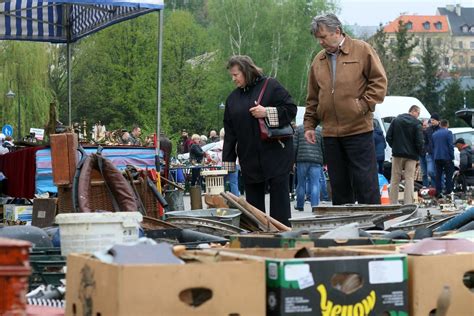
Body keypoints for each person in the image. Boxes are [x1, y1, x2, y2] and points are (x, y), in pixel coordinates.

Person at [304, 13, 387, 205]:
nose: (320, 41)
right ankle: (344, 231)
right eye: (318, 38)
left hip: (359, 129)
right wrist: (309, 125)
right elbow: (313, 96)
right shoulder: (318, 60)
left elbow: (379, 82)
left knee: (366, 183)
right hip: (331, 133)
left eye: (323, 36)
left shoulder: (362, 50)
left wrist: (362, 105)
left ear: (338, 31)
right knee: (339, 186)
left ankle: (374, 229)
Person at [222, 55, 297, 226]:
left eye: (236, 75)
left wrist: (267, 112)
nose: (233, 79)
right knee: (254, 207)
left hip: (276, 155)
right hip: (249, 159)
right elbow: (230, 133)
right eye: (232, 76)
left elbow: (290, 108)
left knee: (280, 203)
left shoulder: (271, 86)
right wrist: (228, 164)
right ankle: (258, 237)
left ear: (246, 71)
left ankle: (282, 238)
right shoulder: (232, 99)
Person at [386, 105, 424, 204]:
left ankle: (393, 203)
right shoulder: (417, 123)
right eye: (418, 113)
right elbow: (419, 141)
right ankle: (408, 203)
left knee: (395, 178)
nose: (418, 115)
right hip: (411, 156)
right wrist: (419, 154)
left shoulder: (396, 120)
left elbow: (388, 136)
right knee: (409, 179)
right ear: (414, 111)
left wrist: (394, 147)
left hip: (397, 154)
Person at [294, 124, 324, 211]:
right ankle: (315, 206)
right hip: (316, 159)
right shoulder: (320, 130)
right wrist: (324, 160)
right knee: (315, 183)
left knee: (301, 183)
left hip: (301, 159)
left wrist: (293, 160)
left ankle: (300, 205)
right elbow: (323, 146)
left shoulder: (299, 129)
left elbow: (294, 145)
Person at [215, 128, 240, 196]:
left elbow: (217, 157)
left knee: (221, 182)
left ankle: (220, 197)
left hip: (222, 164)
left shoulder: (219, 144)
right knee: (234, 183)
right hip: (235, 163)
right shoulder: (235, 142)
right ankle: (236, 199)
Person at [432, 119, 454, 197]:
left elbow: (433, 146)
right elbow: (450, 146)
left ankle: (438, 192)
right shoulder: (448, 133)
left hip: (437, 157)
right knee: (448, 174)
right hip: (446, 157)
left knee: (438, 175)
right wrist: (452, 156)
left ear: (440, 125)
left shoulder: (434, 134)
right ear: (447, 125)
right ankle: (448, 191)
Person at [425, 113, 441, 186]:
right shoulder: (428, 130)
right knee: (430, 171)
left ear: (438, 121)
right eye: (431, 120)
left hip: (438, 154)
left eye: (433, 120)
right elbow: (425, 141)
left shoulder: (441, 130)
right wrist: (426, 149)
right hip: (430, 153)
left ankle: (437, 188)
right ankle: (436, 185)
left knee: (439, 171)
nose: (432, 121)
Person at [419, 119, 431, 187]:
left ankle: (432, 187)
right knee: (424, 173)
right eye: (423, 125)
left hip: (428, 154)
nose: (424, 127)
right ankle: (425, 186)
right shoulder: (420, 133)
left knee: (430, 172)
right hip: (421, 154)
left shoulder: (430, 133)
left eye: (425, 125)